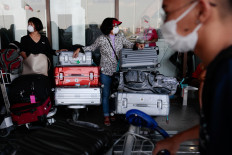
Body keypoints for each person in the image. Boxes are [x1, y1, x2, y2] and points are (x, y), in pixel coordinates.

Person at [153, 0, 232, 154]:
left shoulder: (227, 74)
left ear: (201, 11)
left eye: (167, 12)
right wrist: (177, 139)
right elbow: (216, 125)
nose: (165, 23)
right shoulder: (218, 68)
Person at [73, 17, 144, 126]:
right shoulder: (101, 39)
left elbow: (130, 45)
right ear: (109, 27)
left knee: (115, 94)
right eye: (115, 26)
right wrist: (80, 49)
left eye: (117, 26)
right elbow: (92, 48)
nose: (117, 28)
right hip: (105, 71)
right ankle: (106, 115)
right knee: (106, 94)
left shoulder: (121, 37)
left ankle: (112, 113)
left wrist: (137, 45)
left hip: (118, 72)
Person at [20, 17, 67, 87]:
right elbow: (22, 52)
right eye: (28, 24)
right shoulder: (24, 39)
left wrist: (58, 51)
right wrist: (29, 62)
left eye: (31, 24)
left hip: (42, 66)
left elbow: (49, 51)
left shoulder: (44, 39)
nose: (29, 26)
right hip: (30, 66)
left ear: (37, 25)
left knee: (43, 84)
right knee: (31, 84)